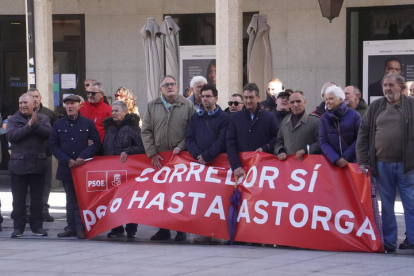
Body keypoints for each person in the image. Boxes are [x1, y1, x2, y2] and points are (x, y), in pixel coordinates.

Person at [357, 73, 414, 253]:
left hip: (408, 165)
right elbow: (363, 134)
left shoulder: (411, 105)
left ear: (401, 87)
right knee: (387, 206)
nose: (388, 89)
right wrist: (363, 161)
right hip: (382, 164)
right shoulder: (376, 107)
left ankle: (412, 240)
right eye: (385, 85)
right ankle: (389, 243)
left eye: (391, 85)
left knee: (411, 204)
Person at [141, 75, 195, 242]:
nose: (170, 87)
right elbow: (146, 131)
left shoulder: (187, 104)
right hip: (160, 160)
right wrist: (152, 153)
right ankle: (163, 229)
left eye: (172, 84)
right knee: (162, 196)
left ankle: (180, 230)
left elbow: (193, 131)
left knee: (179, 195)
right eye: (166, 85)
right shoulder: (152, 106)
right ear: (160, 89)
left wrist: (182, 146)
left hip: (180, 158)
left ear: (177, 86)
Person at [49, 95, 101, 239]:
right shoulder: (58, 125)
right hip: (67, 168)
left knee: (82, 199)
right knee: (70, 199)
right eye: (67, 104)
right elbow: (53, 146)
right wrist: (67, 160)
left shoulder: (88, 124)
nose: (70, 107)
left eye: (73, 104)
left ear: (79, 106)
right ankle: (71, 227)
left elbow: (96, 143)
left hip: (83, 168)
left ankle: (81, 228)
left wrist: (82, 157)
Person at [186, 84, 229, 243]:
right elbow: (189, 138)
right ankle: (203, 232)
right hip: (200, 166)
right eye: (203, 96)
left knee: (217, 200)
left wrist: (207, 156)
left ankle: (217, 233)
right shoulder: (195, 117)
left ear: (216, 98)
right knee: (202, 200)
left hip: (217, 165)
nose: (205, 99)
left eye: (208, 96)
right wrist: (198, 156)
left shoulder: (224, 118)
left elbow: (222, 140)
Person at [6, 94, 52, 238]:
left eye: (25, 102)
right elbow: (11, 136)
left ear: (34, 104)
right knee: (18, 199)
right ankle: (18, 227)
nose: (23, 105)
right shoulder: (13, 119)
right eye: (20, 103)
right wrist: (29, 126)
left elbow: (49, 134)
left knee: (37, 199)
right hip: (18, 164)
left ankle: (37, 227)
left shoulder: (43, 118)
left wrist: (36, 124)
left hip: (38, 164)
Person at [103, 101, 144, 239]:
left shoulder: (132, 128)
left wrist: (128, 151)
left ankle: (131, 228)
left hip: (129, 171)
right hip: (112, 170)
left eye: (116, 111)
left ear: (124, 112)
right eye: (112, 111)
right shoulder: (109, 128)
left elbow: (142, 147)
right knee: (113, 199)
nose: (113, 113)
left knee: (129, 200)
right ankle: (116, 228)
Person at [226, 83, 278, 178]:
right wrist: (236, 166)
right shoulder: (234, 118)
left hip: (264, 168)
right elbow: (230, 143)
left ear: (258, 97)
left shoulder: (269, 117)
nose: (248, 100)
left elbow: (277, 138)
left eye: (251, 97)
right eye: (245, 97)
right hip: (241, 168)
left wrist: (266, 147)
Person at [27, 88, 57, 222]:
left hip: (45, 154)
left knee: (45, 184)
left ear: (41, 98)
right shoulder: (22, 113)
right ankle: (27, 211)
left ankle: (44, 210)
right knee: (28, 184)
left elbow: (55, 133)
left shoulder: (49, 113)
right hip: (28, 155)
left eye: (36, 96)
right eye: (31, 97)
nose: (34, 99)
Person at [319, 86, 361, 167]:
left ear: (341, 99)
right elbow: (323, 142)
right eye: (326, 99)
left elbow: (360, 138)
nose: (327, 102)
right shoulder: (324, 118)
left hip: (352, 162)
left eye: (331, 98)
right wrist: (336, 159)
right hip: (332, 163)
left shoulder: (354, 115)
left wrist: (345, 157)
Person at [275, 91, 321, 161]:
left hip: (307, 166)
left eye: (298, 101)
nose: (295, 105)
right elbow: (279, 141)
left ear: (305, 102)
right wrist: (281, 151)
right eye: (292, 102)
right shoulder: (285, 121)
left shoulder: (315, 121)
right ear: (289, 104)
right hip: (288, 167)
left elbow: (321, 143)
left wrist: (305, 150)